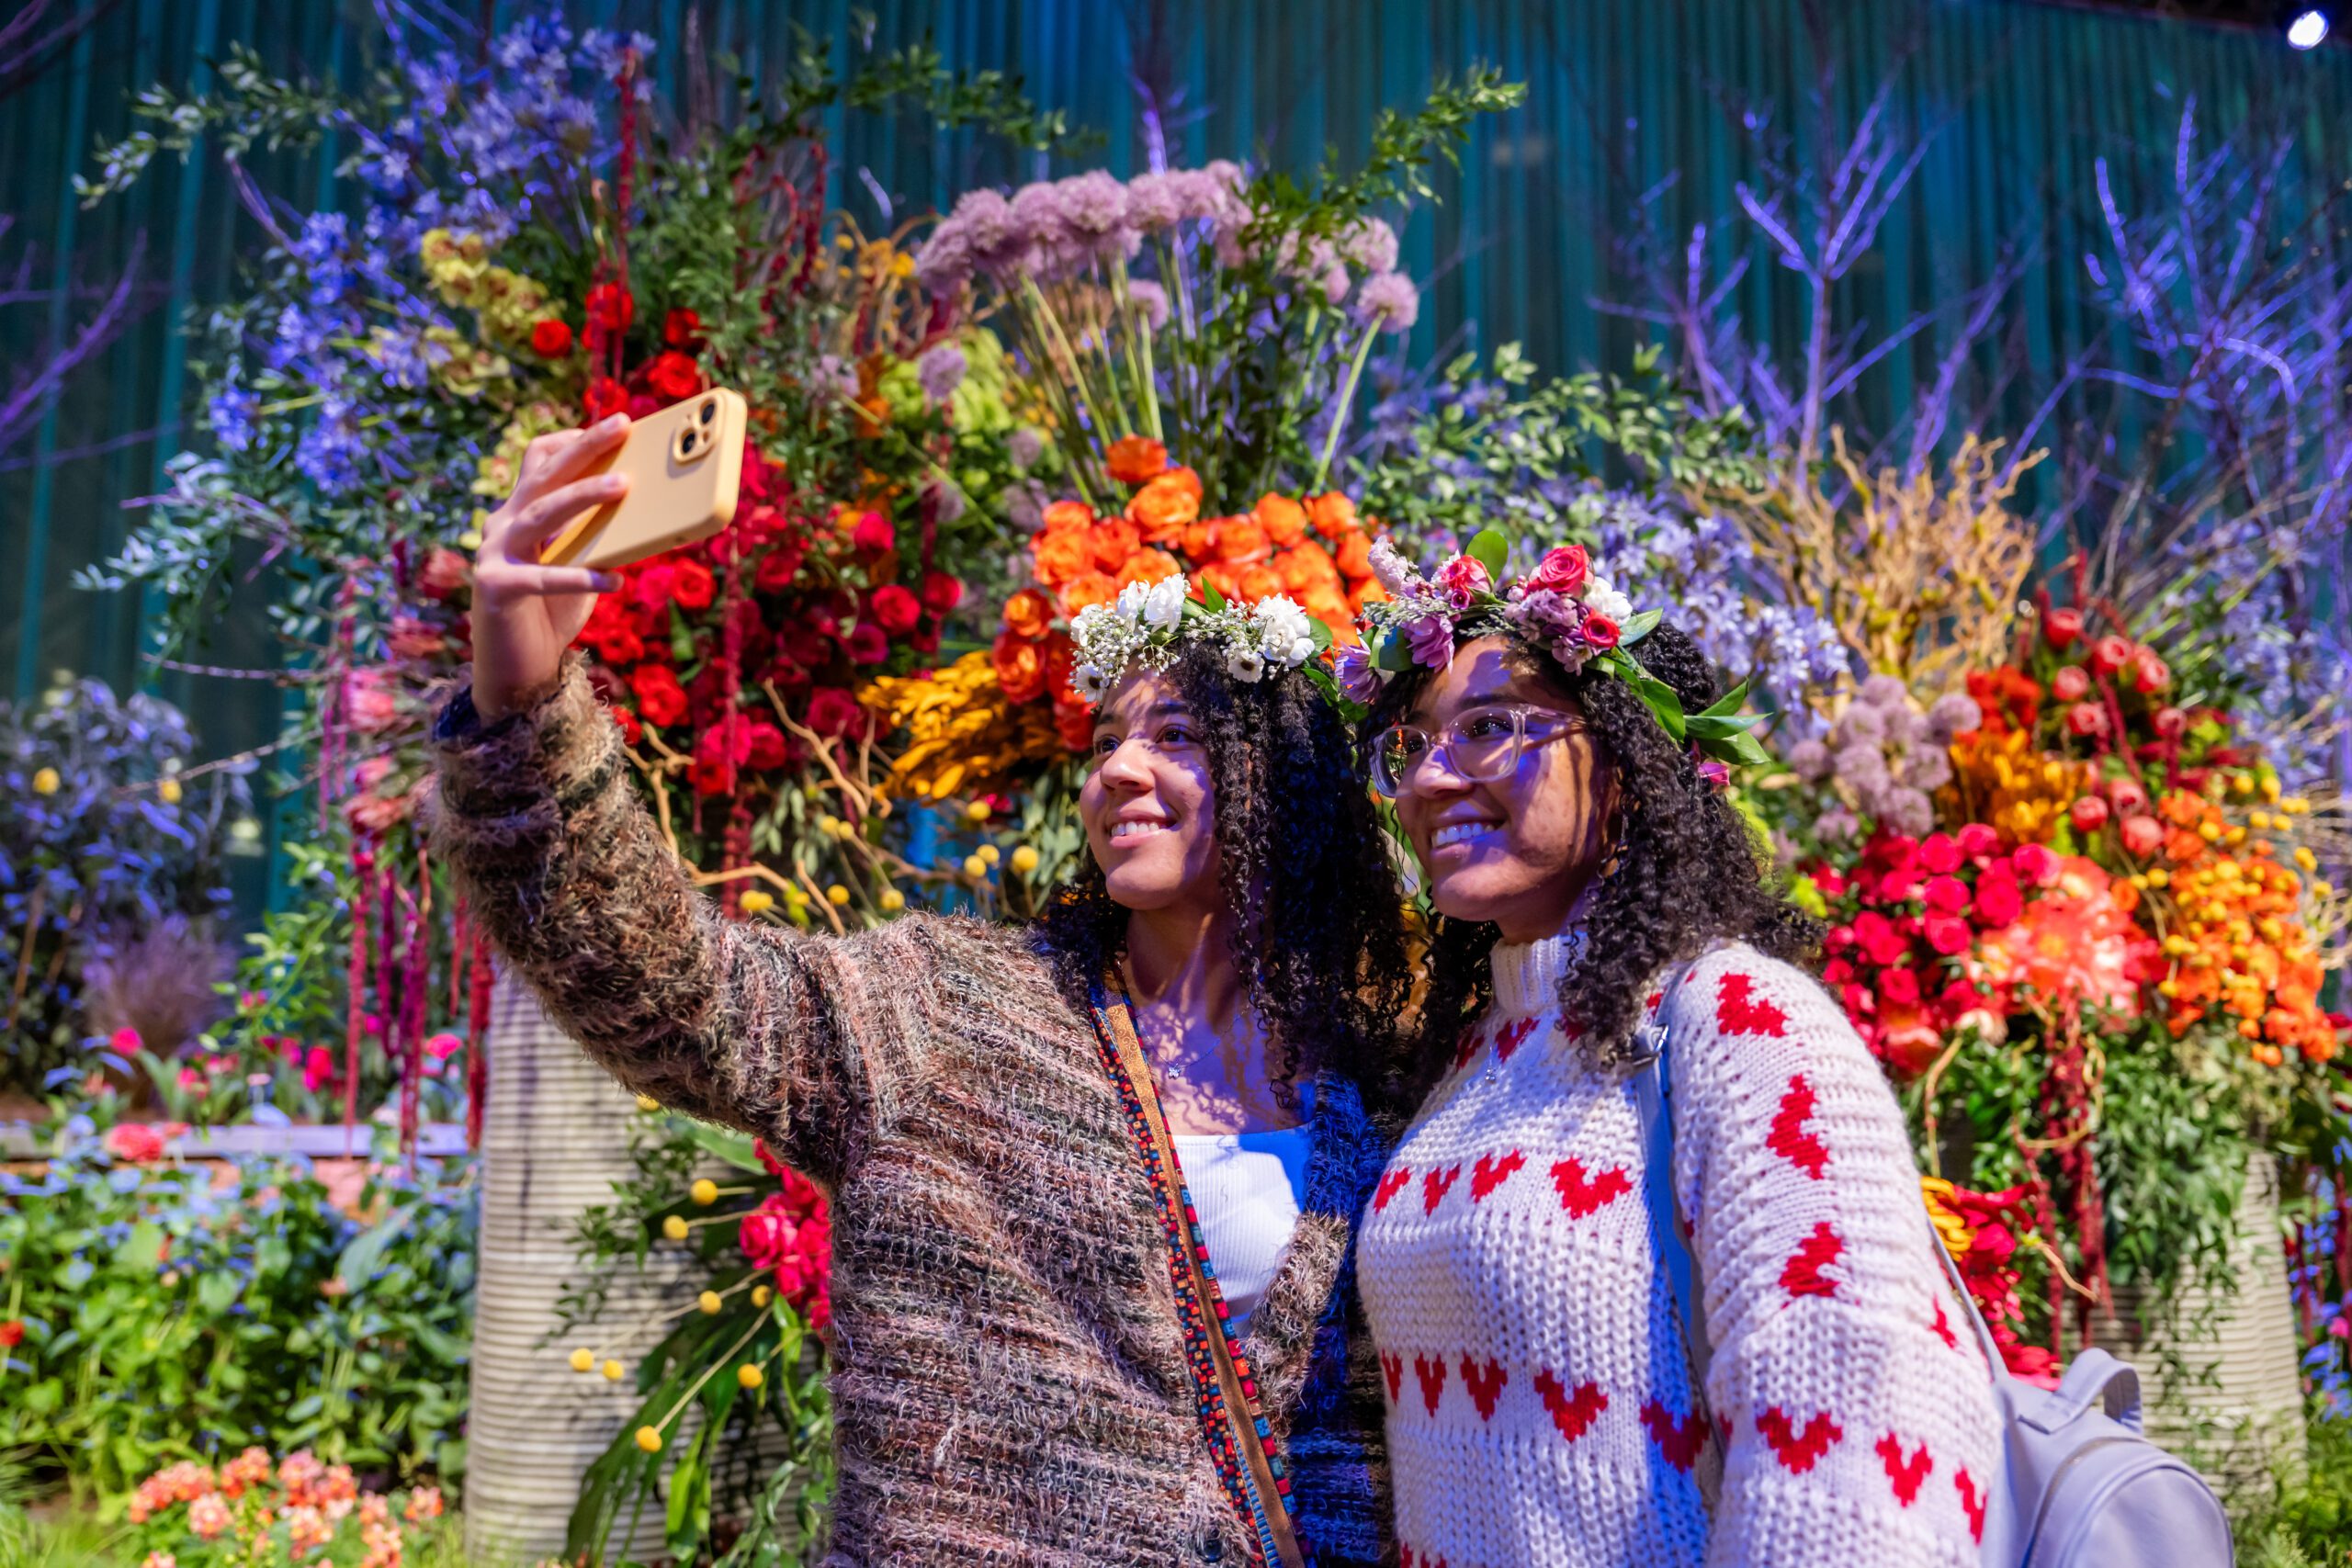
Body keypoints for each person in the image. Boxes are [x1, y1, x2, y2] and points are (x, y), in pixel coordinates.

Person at [427, 413, 1412, 1566]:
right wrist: (522, 707)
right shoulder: (948, 1014)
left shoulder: (1384, 1078)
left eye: (1179, 735)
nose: (1117, 771)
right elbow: (672, 991)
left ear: (1287, 782)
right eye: (1104, 741)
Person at [1343, 539, 2003, 1567]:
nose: (1431, 777)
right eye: (1413, 743)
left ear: (1628, 763)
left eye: (1488, 728)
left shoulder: (1742, 1028)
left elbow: (1864, 1453)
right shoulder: (1469, 1059)